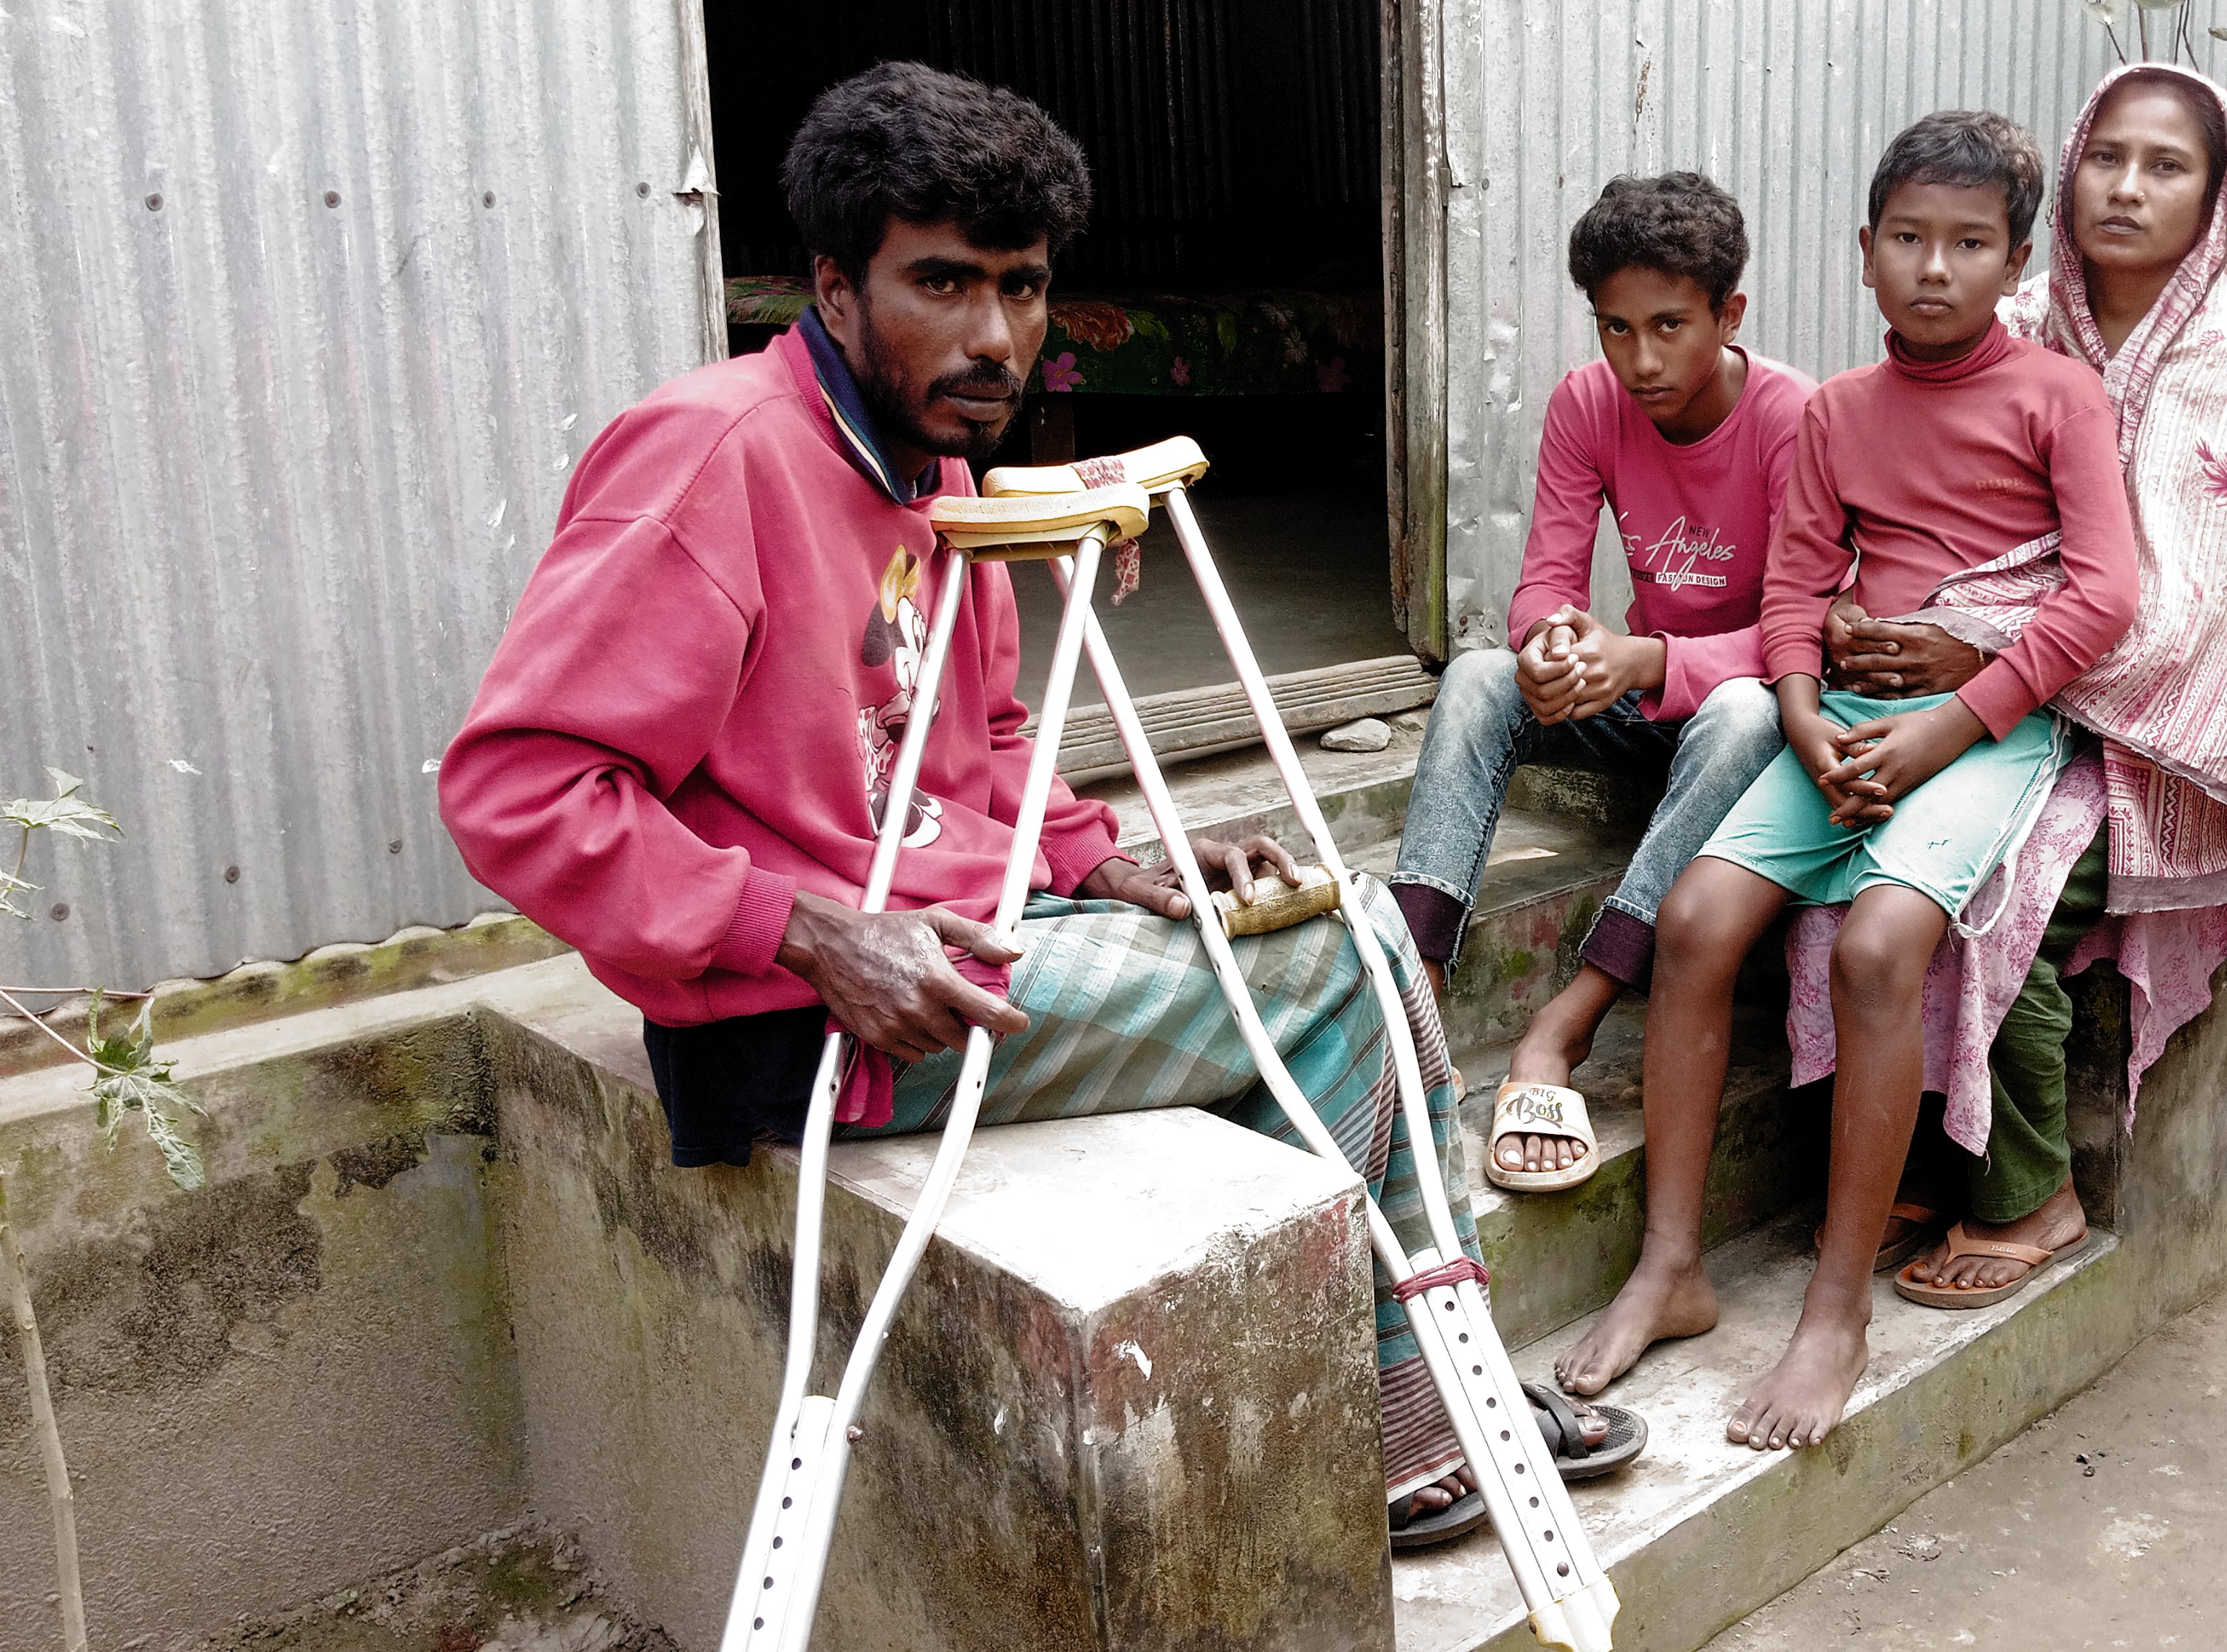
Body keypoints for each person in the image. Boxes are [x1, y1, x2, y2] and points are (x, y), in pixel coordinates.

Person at [434, 64, 1594, 1545]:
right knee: (1348, 972)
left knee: (1335, 915)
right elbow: (517, 786)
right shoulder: (716, 454)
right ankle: (1405, 1418)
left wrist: (1106, 855)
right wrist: (805, 929)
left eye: (1022, 287)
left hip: (956, 940)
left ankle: (1404, 1390)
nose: (992, 336)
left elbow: (978, 733)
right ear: (834, 288)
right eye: (940, 283)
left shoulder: (940, 471)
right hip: (801, 1023)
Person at [1550, 111, 2141, 1453]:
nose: (1937, 268)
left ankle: (1835, 1309)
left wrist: (1949, 727)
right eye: (1910, 240)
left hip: (1990, 729)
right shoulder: (1835, 415)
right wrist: (1807, 722)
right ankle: (1673, 1265)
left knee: (1879, 947)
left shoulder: (2058, 397)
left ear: (2014, 261)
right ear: (1865, 253)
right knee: (1697, 922)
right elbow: (1797, 590)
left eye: (1971, 243)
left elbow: (2104, 596)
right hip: (1848, 723)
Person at [1797, 63, 2227, 1311]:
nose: (2128, 186)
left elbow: (2199, 597)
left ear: (2217, 194)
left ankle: (2030, 1191)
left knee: (2006, 886)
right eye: (2107, 155)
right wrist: (1877, 611)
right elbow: (1925, 498)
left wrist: (1974, 647)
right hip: (2022, 698)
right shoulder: (2028, 314)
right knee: (1862, 853)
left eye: (2168, 165)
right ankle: (1922, 1151)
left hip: (2179, 738)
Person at [1389, 172, 1806, 1192]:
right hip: (1643, 703)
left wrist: (1652, 657)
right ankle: (1411, 1002)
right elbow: (1545, 580)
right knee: (1484, 673)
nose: (1642, 358)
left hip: (1745, 719)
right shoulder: (1590, 403)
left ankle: (1569, 1019)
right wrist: (1552, 643)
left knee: (1746, 709)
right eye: (1615, 329)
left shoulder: (1794, 419)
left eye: (1669, 325)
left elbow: (1810, 634)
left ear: (1729, 313)